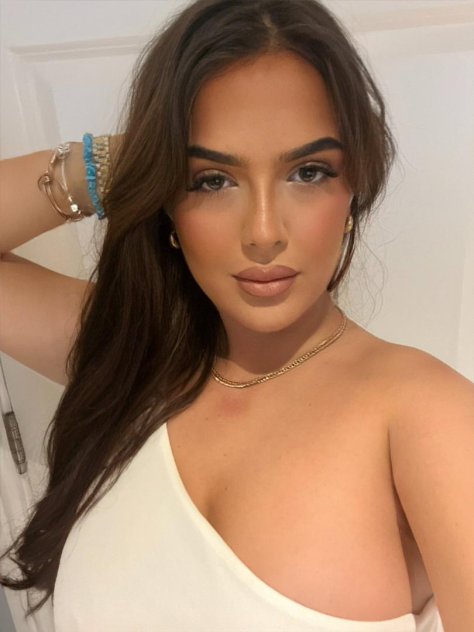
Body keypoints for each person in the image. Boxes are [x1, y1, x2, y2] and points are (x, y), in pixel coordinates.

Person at [0, 0, 473, 630]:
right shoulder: (135, 358)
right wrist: (121, 163)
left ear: (353, 185)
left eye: (309, 171)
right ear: (168, 202)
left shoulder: (427, 416)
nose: (264, 232)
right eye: (212, 180)